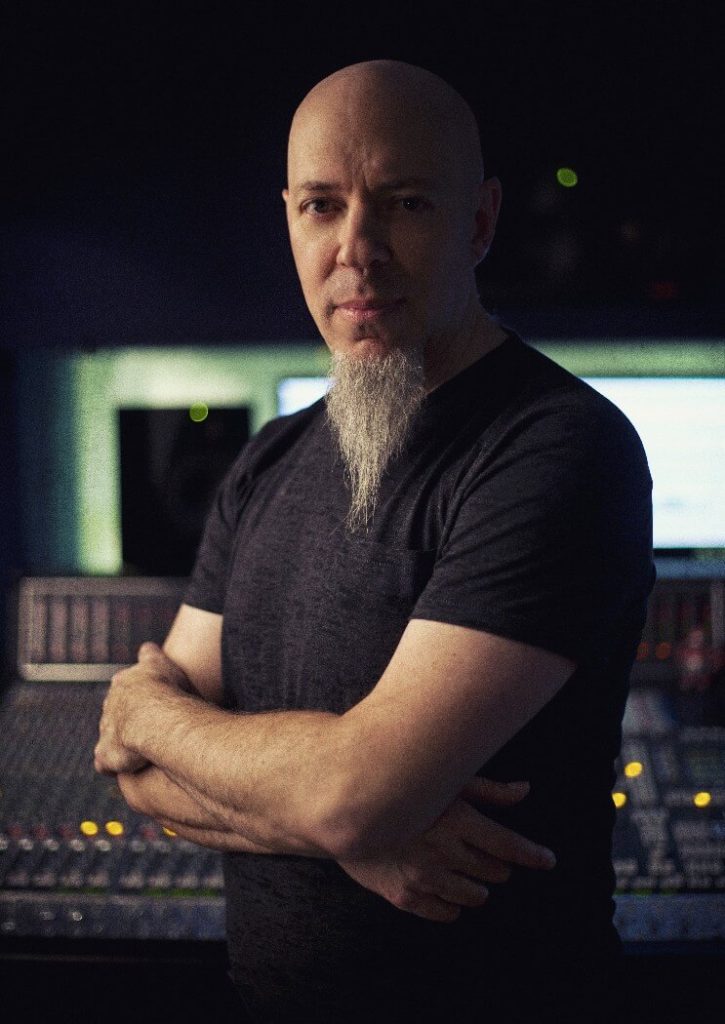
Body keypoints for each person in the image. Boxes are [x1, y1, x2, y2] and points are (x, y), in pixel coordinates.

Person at [94, 60, 655, 1022]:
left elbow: (343, 791)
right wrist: (346, 827)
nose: (356, 248)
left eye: (401, 204)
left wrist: (148, 711)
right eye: (321, 206)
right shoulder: (267, 461)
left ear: (477, 222)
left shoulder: (559, 449)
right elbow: (140, 780)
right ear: (289, 221)